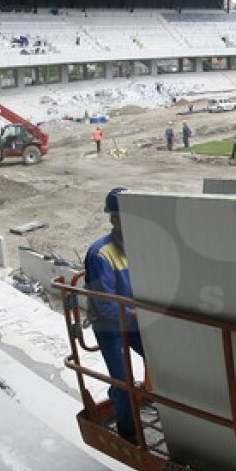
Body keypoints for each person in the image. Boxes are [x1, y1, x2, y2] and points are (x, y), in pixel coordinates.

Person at [83, 187, 145, 442]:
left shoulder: (140, 246)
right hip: (110, 327)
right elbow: (105, 305)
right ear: (113, 219)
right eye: (125, 217)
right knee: (123, 380)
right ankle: (128, 430)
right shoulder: (100, 254)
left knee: (163, 362)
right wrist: (138, 314)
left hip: (135, 320)